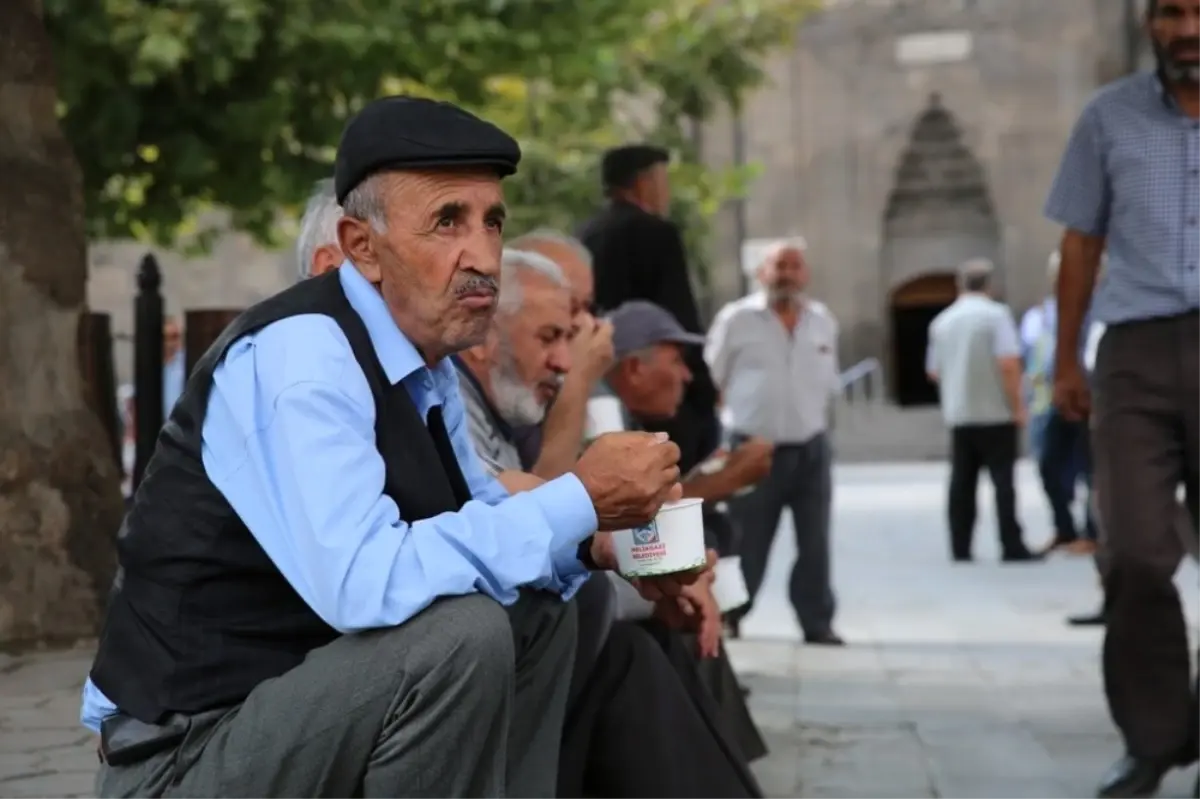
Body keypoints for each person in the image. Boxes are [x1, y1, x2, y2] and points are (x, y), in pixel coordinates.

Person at [82, 95, 694, 799]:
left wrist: (606, 543)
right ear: (361, 247)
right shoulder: (304, 357)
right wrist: (581, 498)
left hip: (282, 717)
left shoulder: (420, 359)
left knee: (541, 608)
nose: (482, 256)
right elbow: (365, 585)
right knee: (458, 638)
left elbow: (483, 508)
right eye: (447, 222)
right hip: (184, 760)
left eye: (492, 221)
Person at [453, 249, 765, 799]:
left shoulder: (473, 393)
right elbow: (527, 505)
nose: (579, 343)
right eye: (557, 329)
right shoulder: (448, 387)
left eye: (581, 317)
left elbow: (520, 499)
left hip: (526, 647)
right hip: (485, 665)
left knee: (660, 627)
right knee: (633, 649)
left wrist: (636, 554)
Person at [1046, 1, 1200, 792]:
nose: (1186, 29)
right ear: (1149, 22)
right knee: (1135, 551)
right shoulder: (1107, 117)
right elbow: (1079, 241)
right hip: (1135, 353)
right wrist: (1066, 359)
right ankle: (1157, 734)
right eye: (1171, 12)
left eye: (1197, 11)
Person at [705, 241, 845, 645]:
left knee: (815, 541)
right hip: (751, 448)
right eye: (778, 266)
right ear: (761, 273)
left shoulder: (822, 321)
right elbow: (712, 379)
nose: (787, 274)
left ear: (806, 274)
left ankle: (817, 621)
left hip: (811, 448)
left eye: (794, 266)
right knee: (745, 538)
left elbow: (828, 382)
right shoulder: (737, 319)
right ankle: (732, 614)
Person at [577, 145, 721, 472]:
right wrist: (702, 388)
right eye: (663, 181)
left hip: (605, 376)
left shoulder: (586, 233)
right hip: (657, 382)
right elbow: (680, 317)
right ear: (644, 183)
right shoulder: (656, 233)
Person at [925, 258, 1039, 564]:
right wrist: (1018, 406)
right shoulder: (996, 316)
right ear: (990, 285)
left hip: (960, 413)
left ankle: (960, 546)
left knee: (961, 482)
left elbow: (934, 371)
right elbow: (1008, 363)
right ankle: (1010, 544)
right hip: (996, 412)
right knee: (1003, 483)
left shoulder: (941, 322)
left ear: (959, 285)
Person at [1023, 251, 1096, 555]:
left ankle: (1094, 532)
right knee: (1049, 463)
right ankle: (1064, 528)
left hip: (1092, 397)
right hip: (1058, 397)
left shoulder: (1099, 308)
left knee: (1093, 469)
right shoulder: (1048, 311)